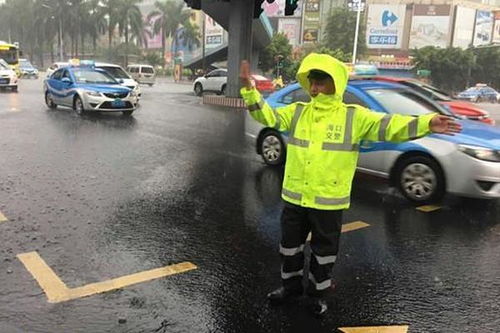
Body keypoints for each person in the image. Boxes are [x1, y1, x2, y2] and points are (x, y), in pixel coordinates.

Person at [239, 53, 462, 316]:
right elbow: (267, 116)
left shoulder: (353, 117)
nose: (314, 89)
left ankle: (316, 295)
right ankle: (290, 288)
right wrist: (249, 90)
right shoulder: (298, 112)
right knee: (289, 248)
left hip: (328, 202)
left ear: (336, 83)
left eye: (321, 82)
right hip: (295, 199)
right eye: (312, 82)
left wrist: (427, 123)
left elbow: (391, 125)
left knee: (324, 255)